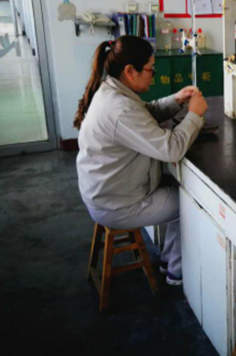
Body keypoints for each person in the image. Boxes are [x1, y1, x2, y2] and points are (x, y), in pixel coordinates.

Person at [74, 36, 207, 286]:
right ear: (129, 71)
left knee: (179, 189)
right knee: (189, 203)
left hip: (106, 192)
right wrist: (194, 115)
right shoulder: (119, 109)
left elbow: (145, 113)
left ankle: (168, 260)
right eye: (150, 69)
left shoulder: (111, 90)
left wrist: (176, 100)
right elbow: (172, 149)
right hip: (116, 205)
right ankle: (176, 271)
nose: (153, 76)